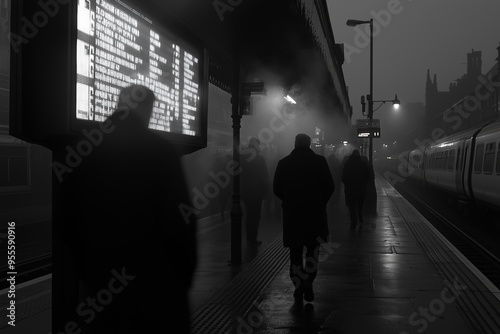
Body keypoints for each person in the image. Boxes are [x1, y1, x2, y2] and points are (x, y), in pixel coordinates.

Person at [67, 84, 197, 333]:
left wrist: (90, 273)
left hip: (101, 288)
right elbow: (181, 220)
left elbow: (67, 220)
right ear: (146, 109)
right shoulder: (161, 151)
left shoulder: (86, 149)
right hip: (157, 287)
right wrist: (182, 278)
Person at [273, 133, 334, 303]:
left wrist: (289, 200)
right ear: (309, 144)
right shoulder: (320, 162)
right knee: (313, 252)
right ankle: (309, 281)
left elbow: (276, 188)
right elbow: (330, 186)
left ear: (295, 144)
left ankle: (298, 285)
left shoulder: (284, 163)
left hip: (293, 216)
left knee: (295, 252)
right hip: (315, 215)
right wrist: (321, 202)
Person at [240, 137, 270, 245]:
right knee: (256, 215)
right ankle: (253, 237)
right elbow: (264, 176)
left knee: (248, 215)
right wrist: (266, 191)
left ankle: (249, 236)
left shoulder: (243, 158)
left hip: (246, 192)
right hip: (257, 193)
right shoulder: (260, 159)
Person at [341, 149, 371, 229]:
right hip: (361, 188)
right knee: (360, 204)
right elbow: (368, 176)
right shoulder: (363, 163)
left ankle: (353, 221)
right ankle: (360, 216)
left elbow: (343, 176)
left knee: (351, 206)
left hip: (350, 189)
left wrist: (347, 184)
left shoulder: (348, 163)